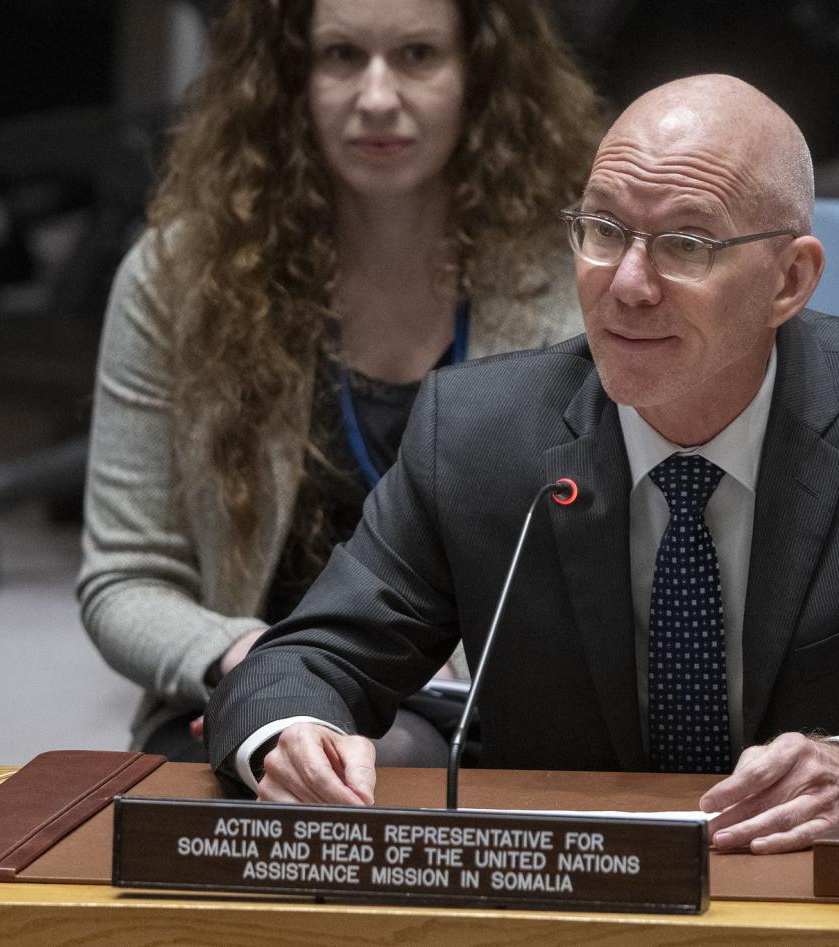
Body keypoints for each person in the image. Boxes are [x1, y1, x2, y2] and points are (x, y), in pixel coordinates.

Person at [206, 74, 839, 854]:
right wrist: (294, 735)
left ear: (791, 280)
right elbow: (310, 655)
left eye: (686, 244)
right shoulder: (480, 433)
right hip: (564, 894)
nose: (629, 284)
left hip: (823, 892)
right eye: (603, 230)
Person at [78, 0, 603, 763]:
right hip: (242, 693)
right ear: (288, 76)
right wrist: (254, 663)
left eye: (418, 55)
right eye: (341, 56)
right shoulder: (177, 277)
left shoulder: (577, 281)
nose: (378, 97)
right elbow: (126, 579)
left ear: (480, 72)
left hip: (485, 719)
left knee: (395, 774)